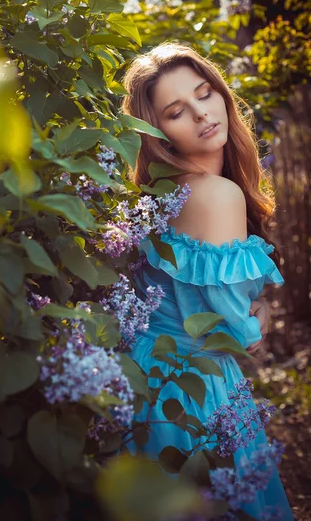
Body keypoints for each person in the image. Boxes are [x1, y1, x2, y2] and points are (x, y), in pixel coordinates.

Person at [121, 41, 294, 520]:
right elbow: (238, 336)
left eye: (205, 93)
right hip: (192, 386)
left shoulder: (163, 191)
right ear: (158, 133)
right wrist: (259, 316)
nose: (202, 114)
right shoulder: (216, 195)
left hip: (144, 376)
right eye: (178, 111)